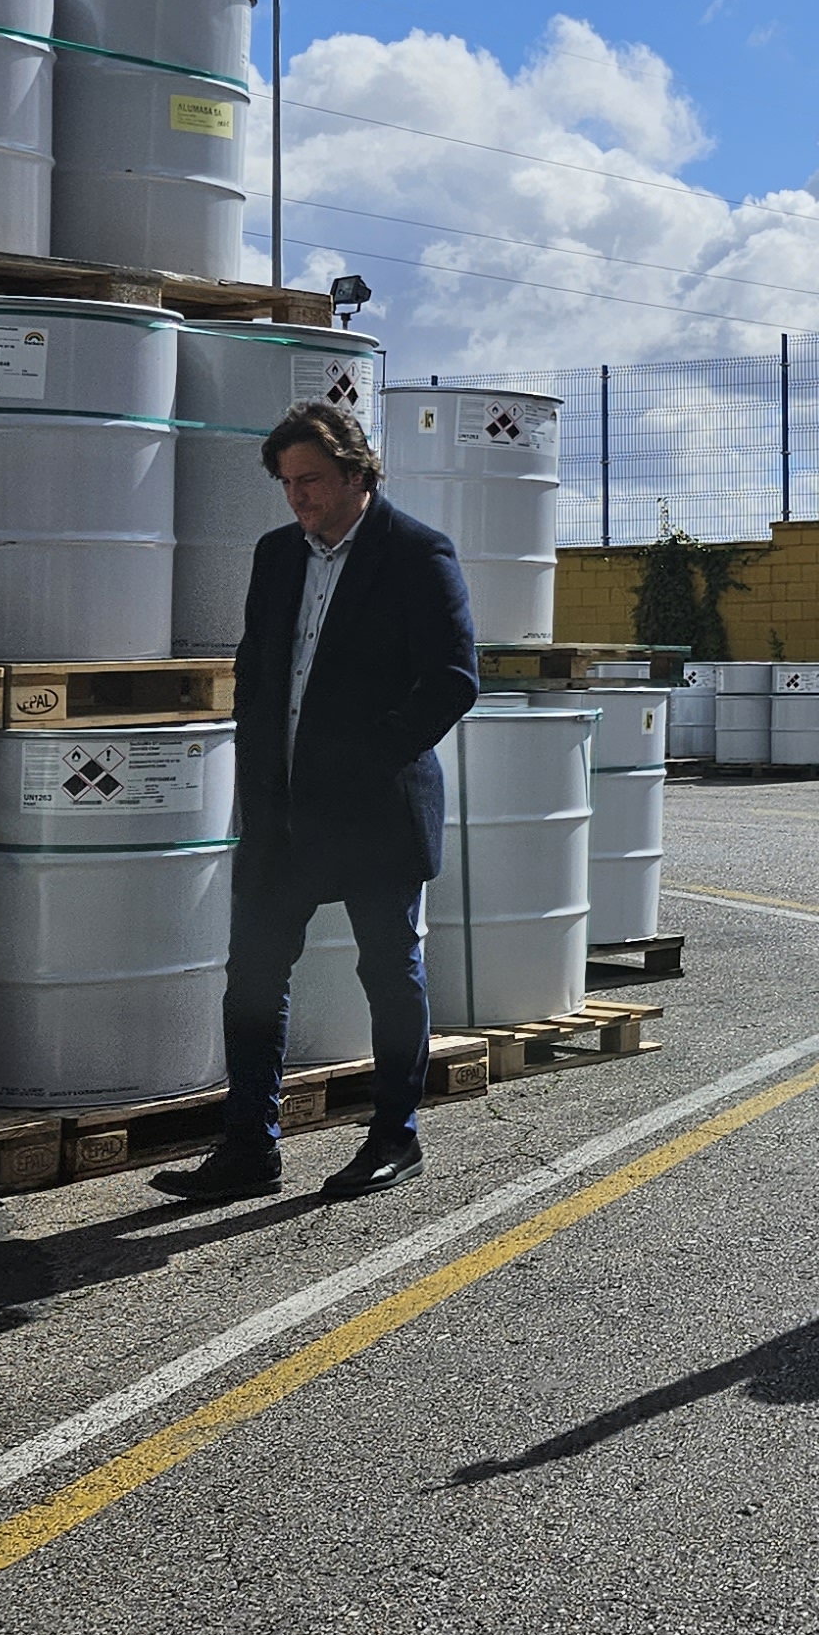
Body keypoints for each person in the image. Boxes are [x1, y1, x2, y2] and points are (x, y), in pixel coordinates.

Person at [155, 403, 481, 1205]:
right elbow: (257, 670)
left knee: (390, 972)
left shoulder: (415, 554)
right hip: (280, 811)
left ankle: (394, 1136)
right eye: (288, 484)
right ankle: (248, 1148)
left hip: (374, 807)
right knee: (255, 978)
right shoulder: (275, 556)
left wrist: (365, 758)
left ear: (358, 475)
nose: (300, 497)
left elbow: (452, 680)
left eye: (313, 481)